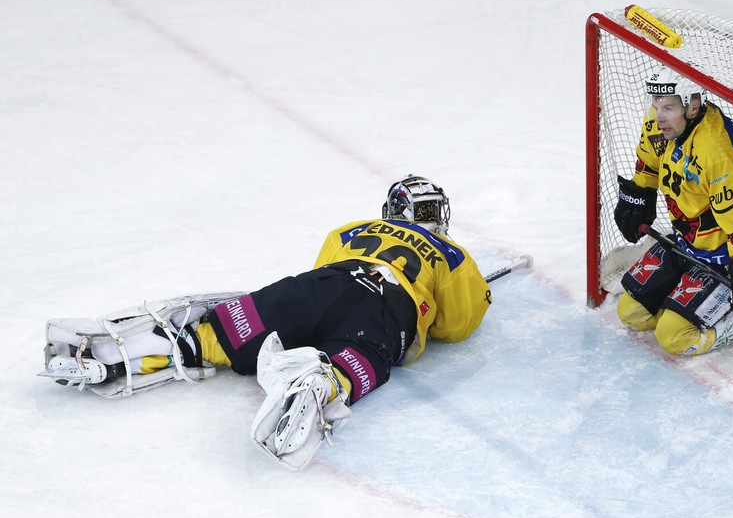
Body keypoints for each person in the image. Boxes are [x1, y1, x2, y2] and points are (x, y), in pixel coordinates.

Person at [40, 174, 492, 469]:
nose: (432, 221)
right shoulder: (453, 254)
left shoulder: (352, 229)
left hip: (322, 282)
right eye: (428, 213)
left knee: (225, 329)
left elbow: (324, 265)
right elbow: (457, 327)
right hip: (385, 308)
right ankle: (324, 384)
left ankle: (136, 350)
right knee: (362, 356)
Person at [613, 65, 733, 356]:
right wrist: (639, 192)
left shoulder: (719, 154)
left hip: (727, 254)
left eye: (669, 107)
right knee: (631, 314)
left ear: (693, 106)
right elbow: (650, 158)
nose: (659, 116)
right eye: (657, 105)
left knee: (674, 338)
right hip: (687, 242)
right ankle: (687, 304)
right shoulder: (663, 123)